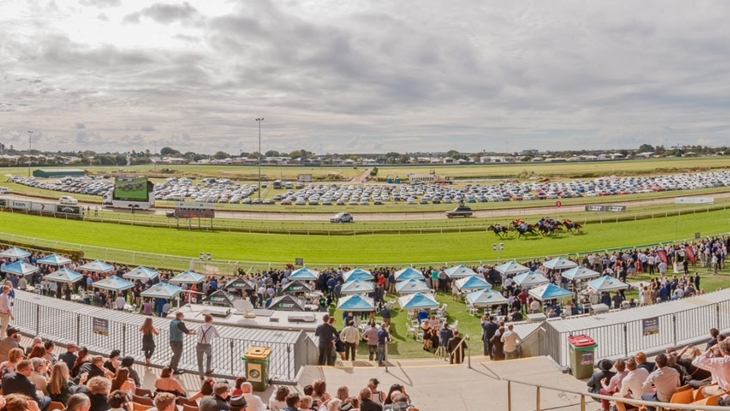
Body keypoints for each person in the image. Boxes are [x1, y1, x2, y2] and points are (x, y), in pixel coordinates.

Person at [196, 314, 220, 380]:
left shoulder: (200, 326)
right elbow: (217, 335)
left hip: (199, 344)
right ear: (210, 320)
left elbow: (198, 334)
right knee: (209, 356)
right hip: (207, 344)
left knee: (199, 360)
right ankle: (208, 369)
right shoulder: (212, 327)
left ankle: (201, 375)